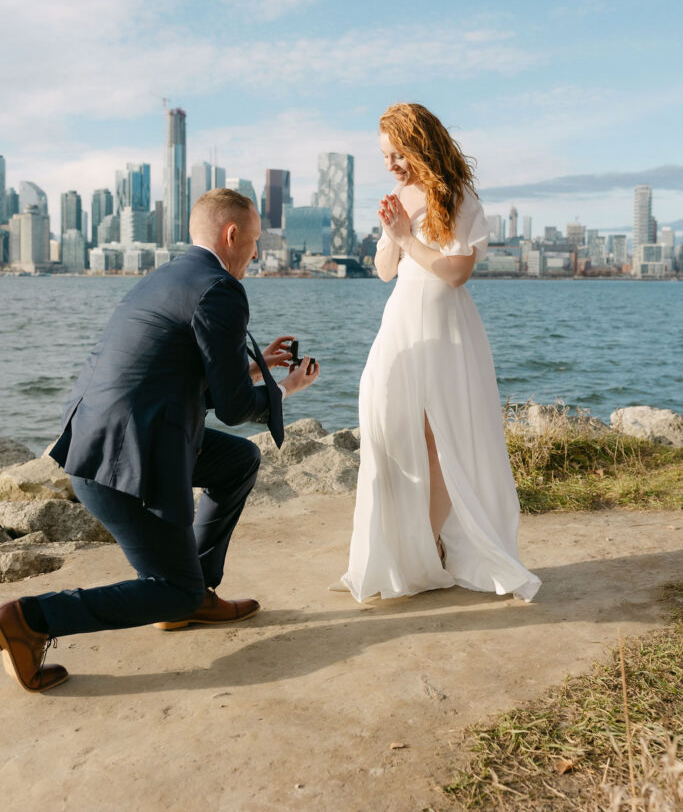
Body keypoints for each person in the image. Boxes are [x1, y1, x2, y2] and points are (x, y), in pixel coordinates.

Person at [0, 188, 319, 694]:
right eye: (254, 242)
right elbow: (236, 408)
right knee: (169, 593)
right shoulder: (220, 288)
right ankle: (30, 619)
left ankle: (199, 591)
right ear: (231, 234)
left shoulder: (169, 277)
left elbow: (177, 372)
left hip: (102, 439)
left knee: (238, 460)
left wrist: (256, 366)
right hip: (126, 459)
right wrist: (286, 388)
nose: (256, 255)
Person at [341, 103, 540, 603]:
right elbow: (386, 270)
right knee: (388, 428)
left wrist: (409, 238)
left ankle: (429, 546)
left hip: (448, 325)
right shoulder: (398, 195)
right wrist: (393, 235)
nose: (389, 165)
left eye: (396, 153)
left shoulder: (457, 196)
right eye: (384, 156)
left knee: (443, 437)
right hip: (402, 322)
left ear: (419, 144)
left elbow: (455, 272)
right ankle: (396, 546)